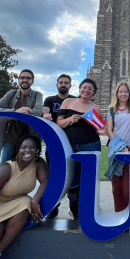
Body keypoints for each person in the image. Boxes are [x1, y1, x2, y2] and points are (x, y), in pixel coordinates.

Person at [57, 78, 106, 220]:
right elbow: (59, 122)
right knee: (72, 179)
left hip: (90, 144)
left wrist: (102, 130)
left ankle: (87, 211)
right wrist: (70, 119)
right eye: (84, 87)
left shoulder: (95, 108)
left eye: (90, 89)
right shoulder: (68, 102)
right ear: (79, 89)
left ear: (94, 92)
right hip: (70, 145)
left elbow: (98, 128)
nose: (86, 90)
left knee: (87, 179)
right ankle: (74, 209)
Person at [0, 69, 43, 165]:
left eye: (28, 78)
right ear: (18, 80)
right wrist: (15, 111)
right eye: (22, 77)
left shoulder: (37, 95)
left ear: (32, 81)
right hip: (11, 138)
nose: (25, 80)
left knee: (28, 168)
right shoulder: (12, 93)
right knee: (5, 166)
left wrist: (25, 111)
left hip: (30, 139)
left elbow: (38, 112)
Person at [42, 73, 76, 219]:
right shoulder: (50, 100)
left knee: (73, 176)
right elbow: (45, 110)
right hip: (54, 143)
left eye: (66, 82)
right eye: (61, 82)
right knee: (53, 175)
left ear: (70, 85)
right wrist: (46, 114)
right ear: (57, 85)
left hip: (70, 142)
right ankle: (53, 207)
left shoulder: (75, 100)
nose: (63, 84)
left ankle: (75, 208)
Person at [106, 82, 130, 212]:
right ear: (116, 93)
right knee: (116, 188)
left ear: (129, 94)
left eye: (125, 92)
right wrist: (118, 145)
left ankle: (129, 215)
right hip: (116, 150)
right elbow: (109, 130)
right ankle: (119, 215)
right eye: (120, 92)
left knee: (127, 189)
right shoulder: (111, 110)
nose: (123, 94)